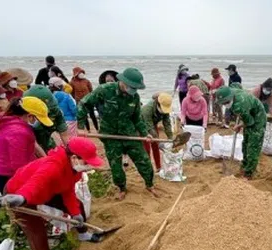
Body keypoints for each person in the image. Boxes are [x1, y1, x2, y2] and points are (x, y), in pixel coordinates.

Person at [0, 137, 105, 250]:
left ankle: (83, 234)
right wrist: (22, 197)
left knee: (77, 206)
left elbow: (68, 190)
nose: (89, 166)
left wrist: (75, 213)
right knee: (36, 231)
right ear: (74, 158)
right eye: (86, 162)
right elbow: (37, 182)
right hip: (18, 194)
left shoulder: (75, 169)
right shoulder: (53, 166)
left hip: (48, 190)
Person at [76, 67, 157, 200]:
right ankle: (122, 188)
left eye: (136, 88)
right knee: (116, 165)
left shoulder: (134, 97)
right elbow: (84, 104)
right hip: (110, 134)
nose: (134, 91)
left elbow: (137, 118)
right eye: (132, 87)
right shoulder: (105, 90)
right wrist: (80, 126)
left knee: (144, 160)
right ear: (123, 82)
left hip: (129, 133)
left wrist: (145, 133)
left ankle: (149, 184)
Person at [0, 97, 53, 193]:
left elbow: (33, 146)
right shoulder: (18, 132)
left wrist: (46, 162)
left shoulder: (13, 121)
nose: (39, 123)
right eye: (38, 120)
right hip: (9, 177)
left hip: (8, 172)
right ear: (30, 116)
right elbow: (19, 166)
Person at [215, 86, 267, 179]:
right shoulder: (232, 92)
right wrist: (239, 124)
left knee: (253, 146)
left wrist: (239, 125)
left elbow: (250, 122)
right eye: (223, 103)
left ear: (231, 98)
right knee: (245, 142)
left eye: (226, 102)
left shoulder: (239, 105)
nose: (225, 105)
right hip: (249, 112)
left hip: (258, 117)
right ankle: (245, 165)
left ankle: (249, 173)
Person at [24, 85, 70, 153]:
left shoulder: (54, 110)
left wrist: (70, 151)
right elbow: (34, 145)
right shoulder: (21, 116)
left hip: (47, 142)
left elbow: (64, 134)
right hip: (29, 148)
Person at [142, 93, 173, 172]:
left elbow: (167, 124)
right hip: (143, 124)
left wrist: (170, 138)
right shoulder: (147, 109)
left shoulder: (165, 110)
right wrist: (158, 142)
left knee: (155, 147)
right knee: (147, 147)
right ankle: (148, 168)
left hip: (153, 124)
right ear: (158, 103)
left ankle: (158, 167)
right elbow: (149, 126)